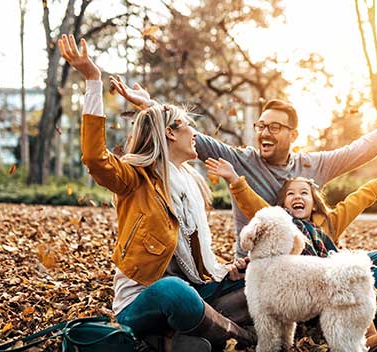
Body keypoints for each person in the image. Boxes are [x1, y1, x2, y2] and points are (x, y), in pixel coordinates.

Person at [60, 34, 254, 352]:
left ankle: (175, 340)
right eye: (188, 125)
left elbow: (193, 259)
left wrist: (228, 270)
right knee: (174, 292)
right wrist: (93, 81)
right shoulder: (135, 179)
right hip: (146, 302)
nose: (195, 133)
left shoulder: (189, 182)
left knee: (263, 275)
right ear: (170, 133)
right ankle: (239, 336)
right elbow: (95, 158)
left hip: (198, 290)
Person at [109, 77, 377, 258]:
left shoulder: (314, 165)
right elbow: (188, 136)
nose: (264, 132)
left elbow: (360, 150)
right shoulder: (240, 160)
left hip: (310, 261)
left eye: (275, 127)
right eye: (261, 125)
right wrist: (152, 106)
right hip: (260, 266)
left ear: (293, 135)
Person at [206, 160, 377, 352]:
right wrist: (234, 180)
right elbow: (254, 205)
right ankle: (375, 334)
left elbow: (355, 202)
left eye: (304, 193)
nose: (298, 197)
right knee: (350, 287)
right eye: (291, 194)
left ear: (314, 202)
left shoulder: (329, 221)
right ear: (282, 205)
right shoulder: (282, 225)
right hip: (310, 294)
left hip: (339, 280)